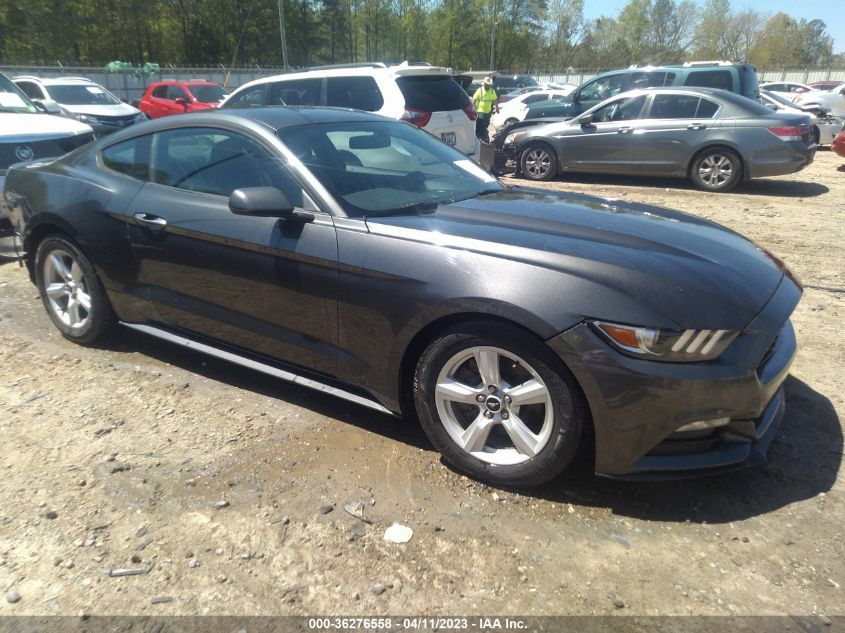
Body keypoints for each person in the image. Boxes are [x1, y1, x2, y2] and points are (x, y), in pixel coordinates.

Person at [472, 77, 497, 141]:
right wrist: (472, 108)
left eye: (489, 84)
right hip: (480, 111)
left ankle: (482, 138)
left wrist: (496, 107)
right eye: (487, 84)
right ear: (484, 84)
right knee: (481, 126)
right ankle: (483, 138)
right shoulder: (479, 90)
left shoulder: (492, 91)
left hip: (488, 112)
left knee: (485, 125)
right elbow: (474, 99)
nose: (488, 85)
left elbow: (494, 100)